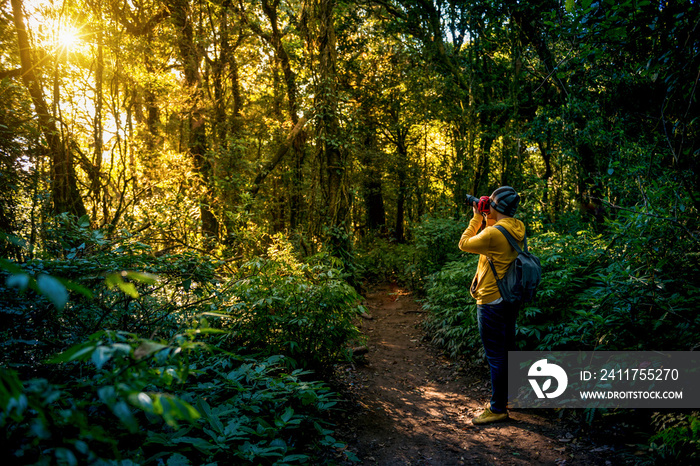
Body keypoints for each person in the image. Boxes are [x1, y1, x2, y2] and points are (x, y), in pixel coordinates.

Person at [458, 186, 525, 425]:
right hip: (509, 298)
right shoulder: (516, 227)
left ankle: (498, 409)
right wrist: (490, 217)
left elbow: (464, 243)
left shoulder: (493, 233)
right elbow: (495, 241)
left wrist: (477, 216)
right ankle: (512, 397)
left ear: (495, 207)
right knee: (508, 351)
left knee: (496, 357)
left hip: (491, 300)